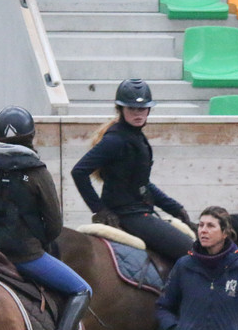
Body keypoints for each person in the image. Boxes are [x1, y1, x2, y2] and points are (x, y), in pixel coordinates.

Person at [0, 105, 91, 330]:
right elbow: (54, 226)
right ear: (31, 136)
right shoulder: (36, 172)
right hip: (25, 257)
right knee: (81, 290)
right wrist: (35, 240)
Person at [71, 78, 195, 261]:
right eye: (131, 109)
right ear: (120, 109)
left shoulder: (135, 136)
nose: (138, 113)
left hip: (140, 211)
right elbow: (79, 171)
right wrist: (99, 210)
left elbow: (143, 184)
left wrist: (176, 208)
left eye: (142, 109)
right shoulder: (115, 140)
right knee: (192, 253)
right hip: (128, 215)